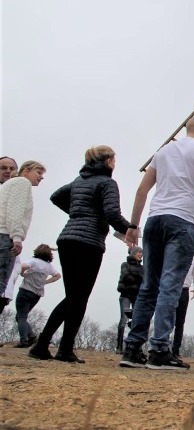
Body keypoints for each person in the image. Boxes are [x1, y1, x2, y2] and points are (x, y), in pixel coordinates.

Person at [120, 117, 194, 371]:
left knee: (149, 286)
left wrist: (133, 225)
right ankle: (159, 349)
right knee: (170, 286)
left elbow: (142, 190)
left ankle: (133, 348)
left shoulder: (164, 151)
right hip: (181, 221)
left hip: (154, 220)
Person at [30, 147, 130, 363]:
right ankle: (59, 348)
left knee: (74, 296)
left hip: (67, 238)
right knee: (78, 297)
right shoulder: (107, 182)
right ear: (109, 161)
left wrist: (77, 213)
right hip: (89, 242)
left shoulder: (80, 180)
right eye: (114, 159)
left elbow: (56, 196)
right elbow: (112, 213)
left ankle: (47, 345)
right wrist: (130, 228)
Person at [0, 160, 45, 314]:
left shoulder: (9, 184)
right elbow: (15, 212)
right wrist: (17, 237)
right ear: (26, 170)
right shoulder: (22, 183)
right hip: (6, 237)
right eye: (38, 172)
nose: (41, 177)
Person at [14, 244, 61, 347]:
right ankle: (31, 337)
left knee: (21, 316)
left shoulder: (34, 261)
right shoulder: (49, 267)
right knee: (21, 316)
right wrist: (45, 282)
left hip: (25, 291)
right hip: (37, 294)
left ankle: (24, 340)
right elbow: (58, 276)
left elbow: (22, 266)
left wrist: (23, 273)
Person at [172, 255, 194, 358]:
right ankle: (164, 347)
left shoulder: (193, 260)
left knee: (180, 322)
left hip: (184, 290)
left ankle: (175, 350)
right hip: (172, 288)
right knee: (168, 319)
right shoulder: (174, 255)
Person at [116, 246, 144, 353]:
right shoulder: (125, 265)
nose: (141, 254)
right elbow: (125, 277)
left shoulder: (143, 268)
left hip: (137, 296)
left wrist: (134, 277)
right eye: (139, 252)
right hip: (125, 295)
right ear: (134, 253)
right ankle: (119, 346)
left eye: (142, 253)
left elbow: (143, 280)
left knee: (136, 320)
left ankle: (133, 345)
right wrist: (138, 277)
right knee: (124, 319)